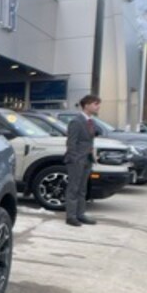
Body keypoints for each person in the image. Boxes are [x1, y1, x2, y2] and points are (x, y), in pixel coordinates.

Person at [64, 94, 101, 226]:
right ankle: (71, 216)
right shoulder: (76, 121)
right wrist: (74, 159)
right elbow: (71, 143)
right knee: (73, 188)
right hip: (77, 160)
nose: (98, 107)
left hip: (87, 159)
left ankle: (80, 214)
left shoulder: (91, 121)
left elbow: (92, 138)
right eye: (95, 104)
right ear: (86, 105)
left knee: (82, 188)